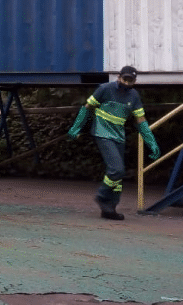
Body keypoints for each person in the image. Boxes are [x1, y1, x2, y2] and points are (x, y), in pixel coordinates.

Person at [67, 66, 160, 220]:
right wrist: (76, 128)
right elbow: (87, 108)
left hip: (119, 136)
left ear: (135, 81)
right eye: (125, 79)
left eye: (131, 80)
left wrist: (152, 142)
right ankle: (102, 196)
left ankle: (109, 209)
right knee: (117, 170)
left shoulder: (134, 96)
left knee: (118, 177)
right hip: (102, 133)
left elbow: (141, 121)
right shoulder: (105, 89)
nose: (127, 83)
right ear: (118, 77)